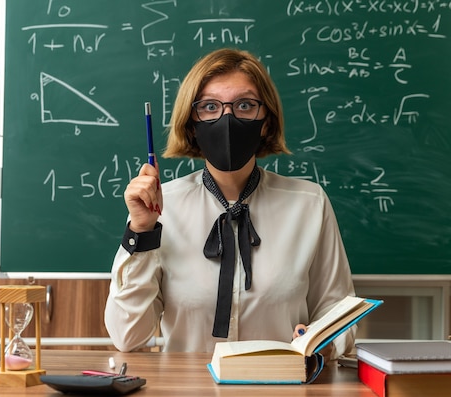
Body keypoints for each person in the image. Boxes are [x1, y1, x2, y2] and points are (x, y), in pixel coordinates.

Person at [104, 48, 356, 359]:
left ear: (266, 121)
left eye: (245, 105)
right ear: (192, 123)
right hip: (187, 389)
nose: (227, 118)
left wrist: (323, 339)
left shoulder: (309, 204)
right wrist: (141, 231)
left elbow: (339, 314)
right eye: (210, 107)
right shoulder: (161, 206)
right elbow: (127, 336)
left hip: (282, 386)